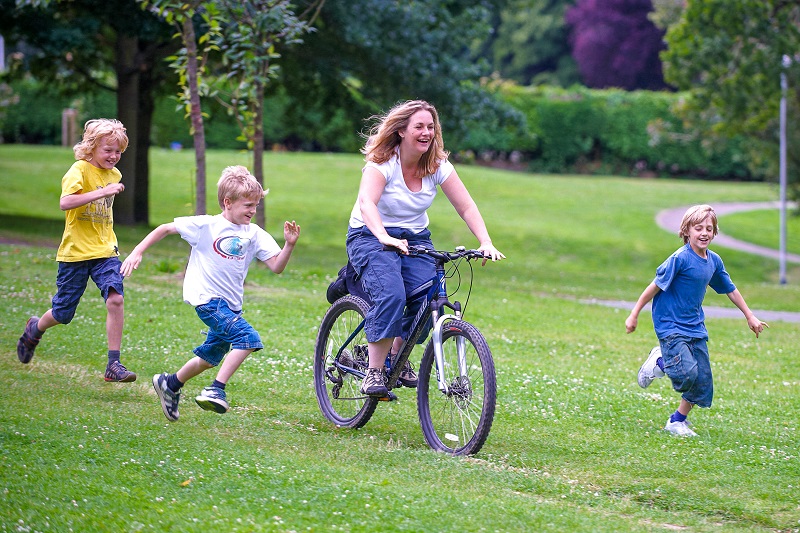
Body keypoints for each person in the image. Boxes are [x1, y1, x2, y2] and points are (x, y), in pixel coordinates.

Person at [346, 100, 505, 397]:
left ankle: (396, 355)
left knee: (429, 296)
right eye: (419, 126)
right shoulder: (383, 163)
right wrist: (384, 237)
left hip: (416, 237)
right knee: (392, 293)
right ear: (402, 131)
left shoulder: (437, 166)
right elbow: (367, 203)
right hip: (369, 234)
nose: (426, 132)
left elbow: (466, 206)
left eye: (430, 127)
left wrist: (485, 242)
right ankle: (374, 371)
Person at [120, 165, 300, 421]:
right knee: (248, 339)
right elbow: (164, 229)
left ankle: (170, 383)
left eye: (256, 205)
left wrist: (289, 245)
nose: (253, 211)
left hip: (231, 306)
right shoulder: (206, 225)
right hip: (208, 300)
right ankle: (216, 389)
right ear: (228, 202)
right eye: (248, 205)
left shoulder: (255, 234)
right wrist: (137, 251)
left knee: (210, 356)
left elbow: (277, 266)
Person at [625, 204, 768, 437]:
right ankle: (661, 362)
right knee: (686, 373)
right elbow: (654, 286)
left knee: (702, 380)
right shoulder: (679, 259)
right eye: (698, 228)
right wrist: (634, 313)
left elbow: (730, 289)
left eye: (709, 229)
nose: (704, 233)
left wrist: (749, 315)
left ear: (714, 232)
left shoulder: (714, 261)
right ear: (686, 231)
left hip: (695, 326)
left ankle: (677, 421)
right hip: (670, 324)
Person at [16, 118, 137, 383]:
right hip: (75, 253)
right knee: (63, 314)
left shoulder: (114, 174)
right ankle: (35, 328)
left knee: (115, 298)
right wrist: (101, 192)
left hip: (105, 250)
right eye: (108, 150)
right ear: (91, 147)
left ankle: (113, 365)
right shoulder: (78, 170)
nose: (114, 157)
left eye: (118, 151)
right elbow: (66, 202)